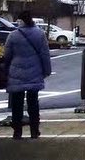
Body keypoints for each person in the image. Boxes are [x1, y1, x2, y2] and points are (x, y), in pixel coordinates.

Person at [3, 11, 52, 140]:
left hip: (16, 72)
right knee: (33, 103)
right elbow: (45, 54)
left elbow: (7, 55)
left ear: (21, 21)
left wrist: (4, 69)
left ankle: (17, 131)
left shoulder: (13, 35)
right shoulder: (40, 34)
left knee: (17, 104)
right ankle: (34, 131)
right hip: (34, 71)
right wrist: (47, 70)